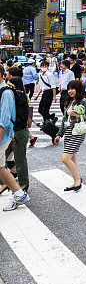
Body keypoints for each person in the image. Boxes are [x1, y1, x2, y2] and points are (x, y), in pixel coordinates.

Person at [0, 65, 30, 211]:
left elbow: (6, 120)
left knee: (19, 159)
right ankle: (13, 188)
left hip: (12, 134)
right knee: (3, 163)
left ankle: (22, 188)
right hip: (11, 134)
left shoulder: (11, 94)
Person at [53, 79, 86, 191]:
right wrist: (59, 134)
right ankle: (76, 181)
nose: (70, 91)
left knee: (65, 158)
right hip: (69, 131)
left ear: (78, 89)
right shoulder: (69, 102)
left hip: (78, 132)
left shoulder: (84, 101)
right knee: (73, 159)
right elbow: (64, 119)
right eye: (69, 89)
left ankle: (77, 180)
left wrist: (77, 115)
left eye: (72, 89)